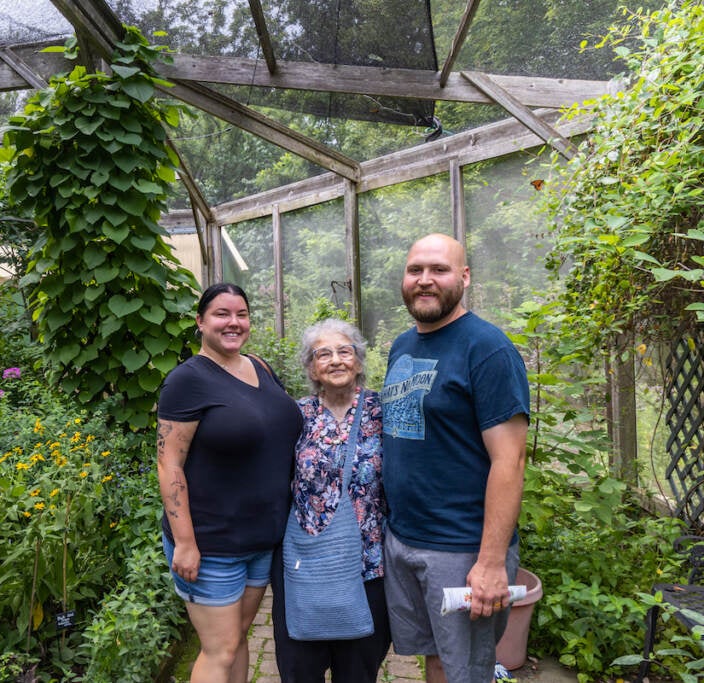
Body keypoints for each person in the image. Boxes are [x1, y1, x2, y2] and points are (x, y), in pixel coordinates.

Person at [379, 233, 530, 683]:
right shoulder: (402, 345)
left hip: (461, 548)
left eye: (439, 270)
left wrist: (489, 562)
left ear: (463, 277)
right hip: (404, 539)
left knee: (465, 670)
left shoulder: (487, 349)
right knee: (436, 659)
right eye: (415, 270)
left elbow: (511, 462)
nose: (425, 280)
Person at [157, 282, 303, 683]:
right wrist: (185, 542)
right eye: (221, 314)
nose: (233, 322)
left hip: (260, 538)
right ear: (201, 322)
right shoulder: (187, 380)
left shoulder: (259, 366)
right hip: (211, 540)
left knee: (238, 639)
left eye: (241, 314)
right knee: (218, 649)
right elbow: (169, 463)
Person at [271, 318, 391, 682]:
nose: (336, 360)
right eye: (324, 354)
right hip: (306, 561)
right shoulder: (294, 414)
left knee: (358, 668)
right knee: (299, 667)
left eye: (345, 351)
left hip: (368, 562)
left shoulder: (382, 411)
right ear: (311, 368)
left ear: (358, 361)